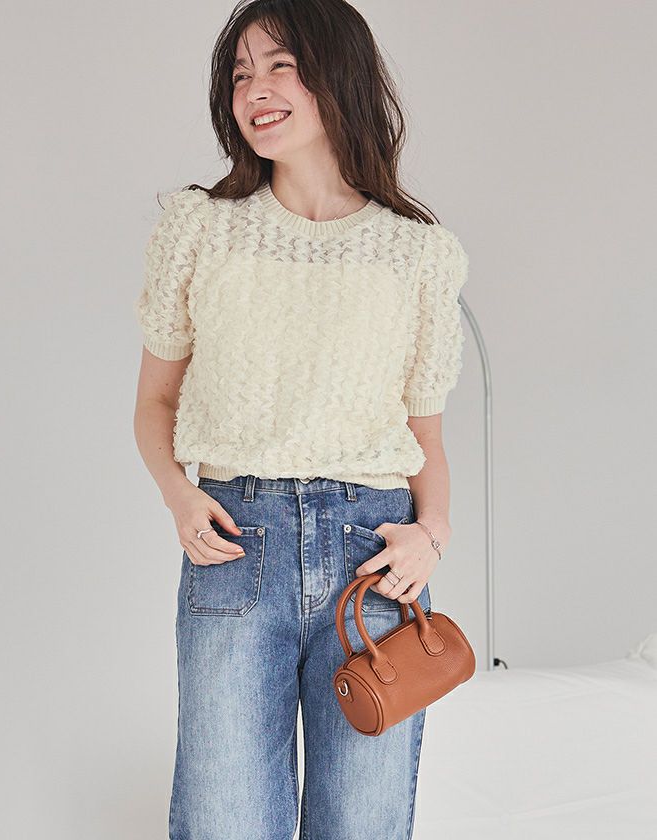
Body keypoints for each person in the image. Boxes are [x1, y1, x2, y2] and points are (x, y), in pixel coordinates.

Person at [132, 1, 469, 838]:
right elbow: (155, 403)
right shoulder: (202, 229)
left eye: (280, 65)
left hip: (374, 560)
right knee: (224, 820)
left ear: (337, 74)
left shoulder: (416, 253)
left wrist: (431, 537)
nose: (256, 89)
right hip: (234, 544)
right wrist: (180, 496)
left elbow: (425, 440)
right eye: (240, 73)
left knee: (363, 823)